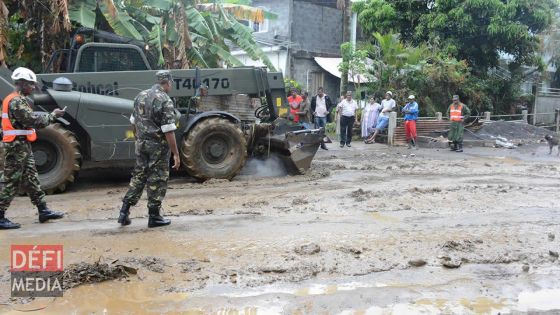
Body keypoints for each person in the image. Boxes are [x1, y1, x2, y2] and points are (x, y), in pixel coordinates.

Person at [0, 67, 66, 229]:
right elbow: (34, 121)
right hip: (15, 147)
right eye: (30, 84)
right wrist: (53, 116)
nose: (32, 88)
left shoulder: (17, 99)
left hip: (21, 145)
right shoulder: (16, 101)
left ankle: (43, 210)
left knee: (31, 178)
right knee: (11, 181)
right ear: (21, 84)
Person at [118, 70, 181, 228]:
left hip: (141, 144)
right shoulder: (165, 100)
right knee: (157, 179)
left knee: (138, 176)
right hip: (157, 147)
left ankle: (124, 211)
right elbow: (168, 130)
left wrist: (138, 138)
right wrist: (176, 154)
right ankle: (154, 216)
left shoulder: (140, 95)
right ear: (168, 83)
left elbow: (133, 122)